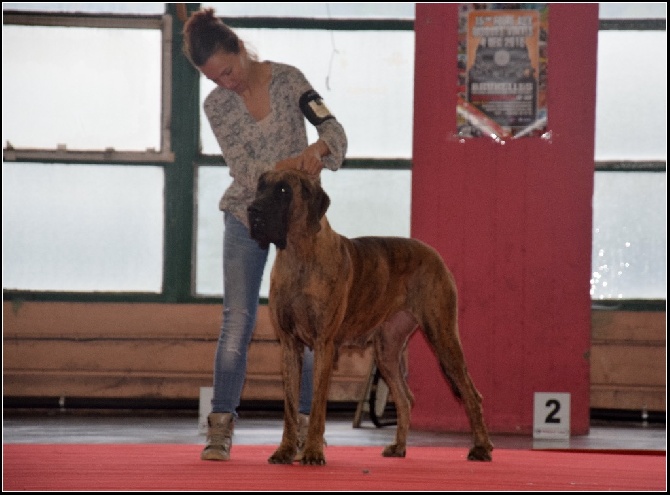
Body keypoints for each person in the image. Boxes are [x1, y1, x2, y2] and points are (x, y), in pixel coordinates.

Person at [182, 8, 347, 462]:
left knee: (310, 328)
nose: (226, 83)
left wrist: (321, 146)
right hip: (246, 220)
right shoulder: (216, 105)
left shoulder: (290, 80)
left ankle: (310, 432)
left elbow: (335, 130)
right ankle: (220, 428)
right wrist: (299, 162)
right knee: (238, 322)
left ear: (240, 49)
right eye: (215, 79)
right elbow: (247, 171)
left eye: (228, 71)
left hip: (299, 226)